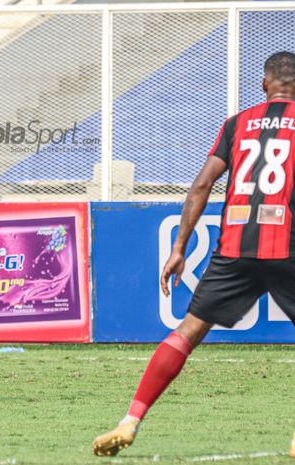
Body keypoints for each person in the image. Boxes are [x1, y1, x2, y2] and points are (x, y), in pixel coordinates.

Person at [92, 50, 295, 457]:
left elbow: (202, 185)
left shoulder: (237, 123)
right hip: (286, 244)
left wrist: (179, 248)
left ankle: (130, 420)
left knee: (187, 331)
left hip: (234, 245)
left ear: (263, 85)